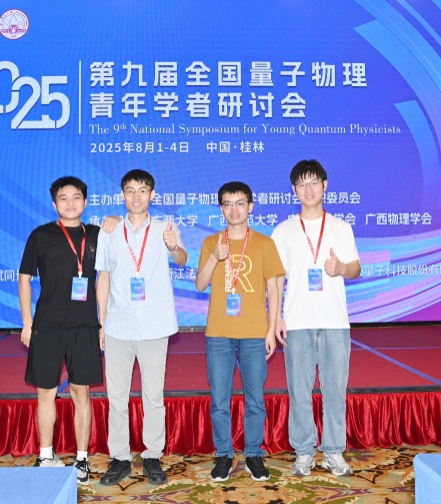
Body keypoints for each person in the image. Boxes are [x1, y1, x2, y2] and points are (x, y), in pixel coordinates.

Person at [95, 169, 187, 486]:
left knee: (153, 397)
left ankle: (152, 456)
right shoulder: (109, 231)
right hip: (118, 326)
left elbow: (182, 259)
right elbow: (103, 278)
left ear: (152, 195)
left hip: (154, 325)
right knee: (116, 398)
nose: (137, 196)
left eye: (143, 190)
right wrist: (102, 323)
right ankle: (120, 457)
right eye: (131, 190)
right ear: (122, 195)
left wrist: (174, 246)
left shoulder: (164, 229)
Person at [271, 159, 361, 477]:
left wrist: (341, 268)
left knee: (335, 390)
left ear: (325, 185)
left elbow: (356, 268)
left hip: (335, 321)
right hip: (297, 322)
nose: (308, 189)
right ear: (294, 189)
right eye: (301, 183)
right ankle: (304, 452)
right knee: (299, 391)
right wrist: (276, 318)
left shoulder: (341, 227)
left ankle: (333, 451)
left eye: (313, 182)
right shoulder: (283, 231)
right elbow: (276, 278)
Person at [195, 181, 285, 482]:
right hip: (219, 332)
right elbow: (200, 284)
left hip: (255, 332)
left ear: (250, 207)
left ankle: (254, 454)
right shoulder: (211, 242)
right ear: (221, 209)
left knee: (255, 398)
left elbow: (274, 287)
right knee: (219, 399)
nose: (234, 209)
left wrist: (271, 329)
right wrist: (214, 257)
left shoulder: (264, 243)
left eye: (240, 203)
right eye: (228, 204)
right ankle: (223, 454)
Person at [19, 176, 103, 485]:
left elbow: (105, 278)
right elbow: (24, 278)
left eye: (76, 197)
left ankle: (81, 459)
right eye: (63, 198)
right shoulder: (40, 235)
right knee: (46, 392)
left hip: (84, 325)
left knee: (82, 392)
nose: (70, 202)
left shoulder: (97, 235)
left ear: (85, 202)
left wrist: (103, 323)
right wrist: (27, 322)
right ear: (54, 204)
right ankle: (45, 456)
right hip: (47, 325)